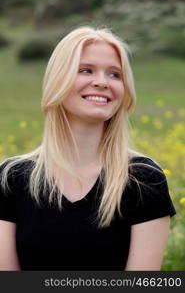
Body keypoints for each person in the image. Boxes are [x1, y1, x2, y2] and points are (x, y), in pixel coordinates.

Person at [0, 26, 176, 271]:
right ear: (58, 80)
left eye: (115, 74)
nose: (102, 82)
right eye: (86, 70)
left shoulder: (144, 179)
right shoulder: (11, 178)